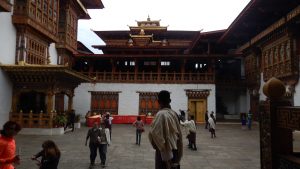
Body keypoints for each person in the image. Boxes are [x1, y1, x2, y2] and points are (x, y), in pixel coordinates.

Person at [149, 90, 183, 169]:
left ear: (158, 101)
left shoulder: (160, 115)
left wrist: (167, 158)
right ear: (170, 101)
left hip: (163, 156)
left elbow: (156, 137)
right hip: (175, 152)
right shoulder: (174, 114)